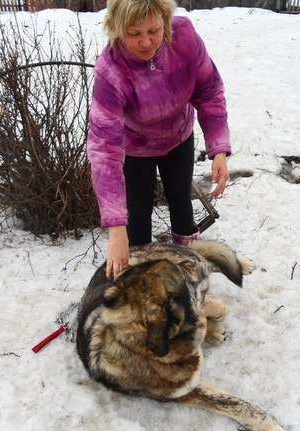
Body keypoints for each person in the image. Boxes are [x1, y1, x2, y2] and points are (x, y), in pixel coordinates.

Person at [87, 0, 232, 279]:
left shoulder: (185, 38)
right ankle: (143, 281)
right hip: (135, 150)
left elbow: (210, 91)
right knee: (137, 221)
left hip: (179, 137)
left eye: (153, 30)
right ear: (116, 29)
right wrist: (116, 229)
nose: (146, 42)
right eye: (133, 33)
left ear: (165, 20)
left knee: (181, 205)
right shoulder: (111, 70)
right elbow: (104, 151)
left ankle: (189, 275)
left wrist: (219, 149)